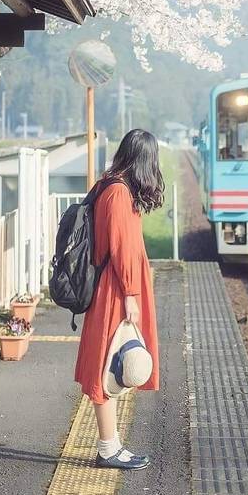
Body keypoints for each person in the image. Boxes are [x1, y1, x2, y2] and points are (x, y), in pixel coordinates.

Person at [74, 129, 163, 470]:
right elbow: (123, 250)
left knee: (112, 362)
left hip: (115, 287)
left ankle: (111, 445)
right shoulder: (118, 194)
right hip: (116, 290)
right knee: (110, 365)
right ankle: (108, 448)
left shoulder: (111, 187)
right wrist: (131, 295)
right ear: (144, 160)